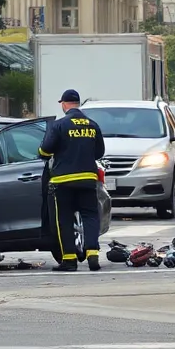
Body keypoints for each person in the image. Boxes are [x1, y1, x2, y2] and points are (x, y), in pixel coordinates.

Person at [39, 88, 105, 272]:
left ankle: (69, 259)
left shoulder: (59, 125)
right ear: (78, 103)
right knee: (90, 216)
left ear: (64, 104)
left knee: (64, 219)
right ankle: (92, 255)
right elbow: (99, 152)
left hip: (63, 181)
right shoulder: (92, 125)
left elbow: (45, 151)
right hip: (87, 179)